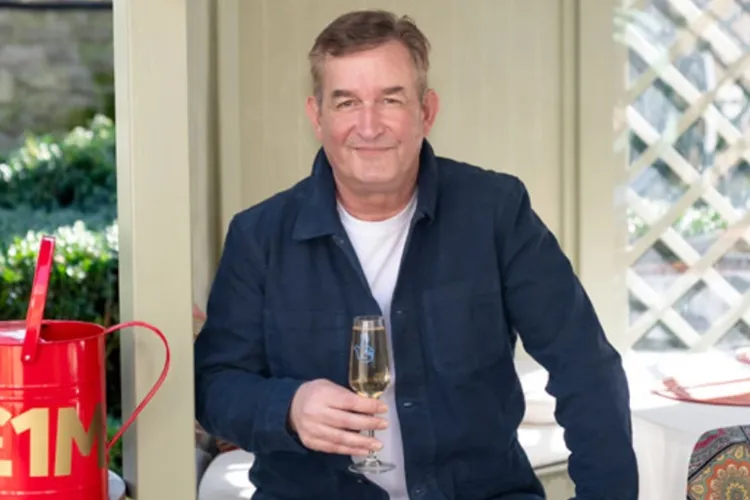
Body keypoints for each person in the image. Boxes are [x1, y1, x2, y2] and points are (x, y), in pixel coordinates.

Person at [194, 9, 638, 500]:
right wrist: (289, 407)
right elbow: (214, 386)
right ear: (317, 117)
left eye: (390, 99)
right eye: (347, 102)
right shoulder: (259, 236)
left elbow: (585, 366)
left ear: (426, 111)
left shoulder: (496, 213)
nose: (369, 126)